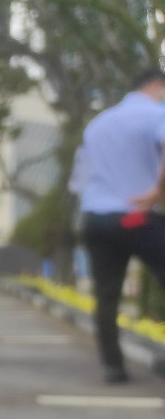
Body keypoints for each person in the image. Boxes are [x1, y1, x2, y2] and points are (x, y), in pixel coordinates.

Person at [75, 69, 165, 383]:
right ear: (155, 85)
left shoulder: (97, 124)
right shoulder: (156, 114)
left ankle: (112, 367)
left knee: (106, 295)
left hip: (96, 217)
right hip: (136, 215)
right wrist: (158, 190)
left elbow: (80, 178)